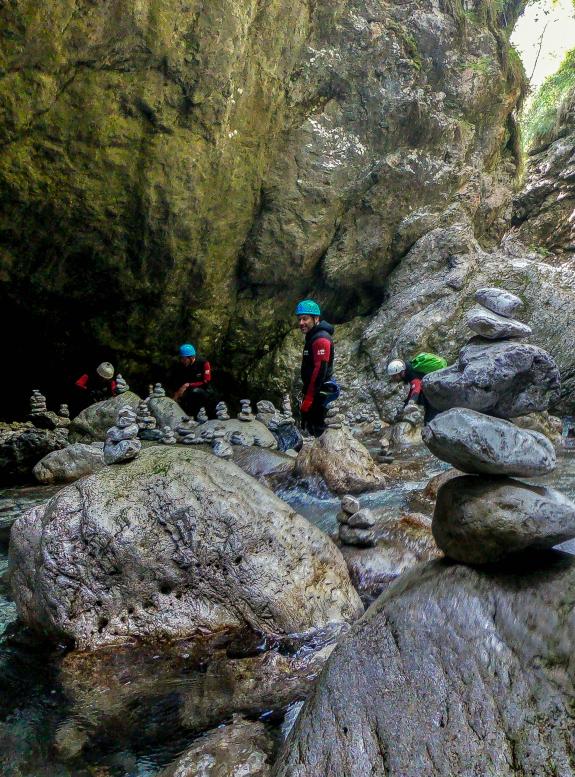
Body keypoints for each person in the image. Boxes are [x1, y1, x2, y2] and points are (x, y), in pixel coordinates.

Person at [296, 299, 338, 437]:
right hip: (315, 391)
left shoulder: (321, 339)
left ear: (316, 318)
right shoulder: (312, 336)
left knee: (318, 428)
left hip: (319, 393)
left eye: (305, 319)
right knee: (311, 426)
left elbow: (320, 370)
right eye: (299, 319)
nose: (301, 323)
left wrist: (309, 398)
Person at [387, 356, 442, 425]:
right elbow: (413, 389)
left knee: (431, 412)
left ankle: (433, 425)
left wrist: (411, 401)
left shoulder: (410, 372)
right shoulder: (406, 370)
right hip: (431, 387)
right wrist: (405, 405)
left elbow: (416, 386)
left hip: (434, 390)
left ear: (401, 372)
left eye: (394, 376)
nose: (393, 378)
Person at [169, 343, 213, 417]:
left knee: (195, 392)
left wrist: (189, 385)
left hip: (204, 392)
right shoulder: (181, 366)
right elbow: (177, 382)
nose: (182, 361)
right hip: (188, 392)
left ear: (191, 357)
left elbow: (206, 381)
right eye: (181, 358)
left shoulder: (203, 363)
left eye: (184, 359)